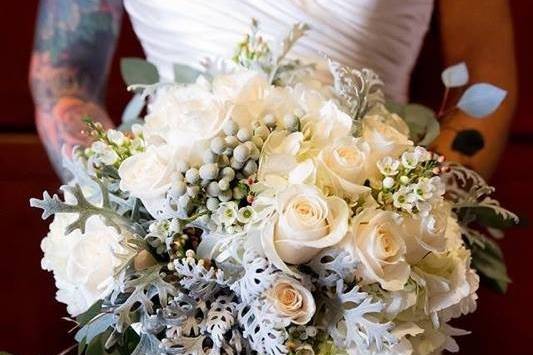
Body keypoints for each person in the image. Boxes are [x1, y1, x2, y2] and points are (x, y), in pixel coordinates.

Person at [30, 0, 517, 182]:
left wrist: (414, 216)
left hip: (374, 248)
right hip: (168, 248)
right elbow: (63, 75)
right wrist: (130, 213)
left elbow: (484, 69)